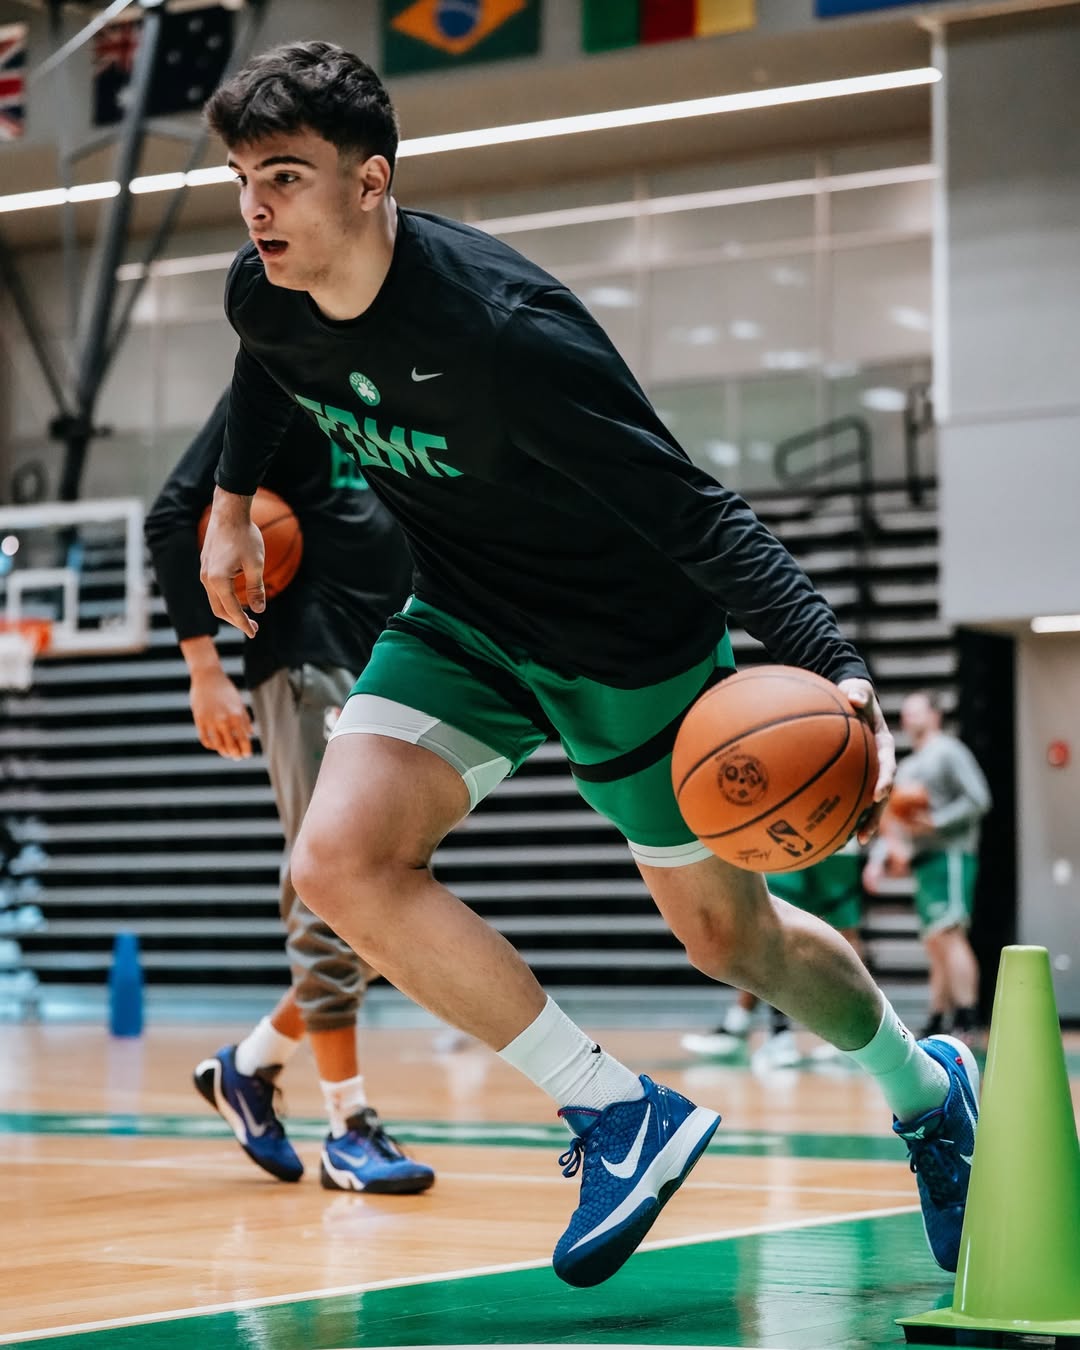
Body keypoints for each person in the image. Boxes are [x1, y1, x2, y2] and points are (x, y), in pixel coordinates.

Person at [197, 41, 979, 1284]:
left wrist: (836, 663)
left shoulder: (507, 337)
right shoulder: (265, 290)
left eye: (284, 176)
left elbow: (695, 510)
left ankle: (928, 1090)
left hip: (630, 644)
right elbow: (268, 366)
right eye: (243, 178)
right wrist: (231, 503)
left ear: (371, 180)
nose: (256, 207)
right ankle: (618, 1113)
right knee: (338, 864)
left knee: (732, 943)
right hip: (463, 618)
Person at [146, 391, 434, 1195]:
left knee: (390, 905)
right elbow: (171, 515)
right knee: (337, 885)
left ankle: (250, 1067)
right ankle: (347, 1126)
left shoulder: (401, 388)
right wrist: (204, 670)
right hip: (307, 653)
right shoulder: (281, 378)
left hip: (390, 658)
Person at [864, 691, 991, 1042]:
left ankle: (967, 1017)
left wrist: (937, 821)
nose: (908, 718)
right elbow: (894, 822)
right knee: (936, 944)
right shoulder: (907, 767)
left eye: (915, 711)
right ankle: (938, 1018)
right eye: (905, 713)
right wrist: (879, 860)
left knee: (950, 934)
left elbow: (979, 799)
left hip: (950, 856)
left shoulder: (949, 752)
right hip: (923, 862)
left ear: (935, 715)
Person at [682, 839, 865, 1066]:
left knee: (773, 928)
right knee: (841, 930)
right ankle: (855, 1032)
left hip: (787, 835)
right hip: (836, 837)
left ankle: (773, 1034)